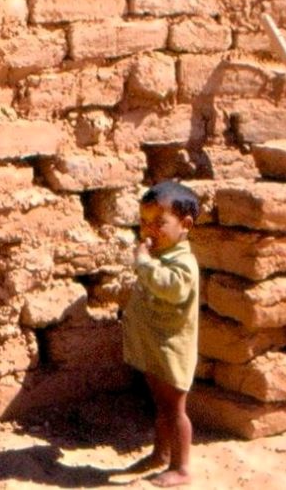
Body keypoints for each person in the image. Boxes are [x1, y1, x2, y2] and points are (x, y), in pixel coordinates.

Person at [120, 181, 200, 487]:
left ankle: (181, 467)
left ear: (185, 225)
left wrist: (143, 263)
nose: (149, 230)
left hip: (172, 348)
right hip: (154, 345)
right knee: (161, 407)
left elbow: (171, 288)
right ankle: (160, 454)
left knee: (174, 410)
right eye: (144, 222)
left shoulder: (183, 263)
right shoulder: (161, 256)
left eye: (159, 223)